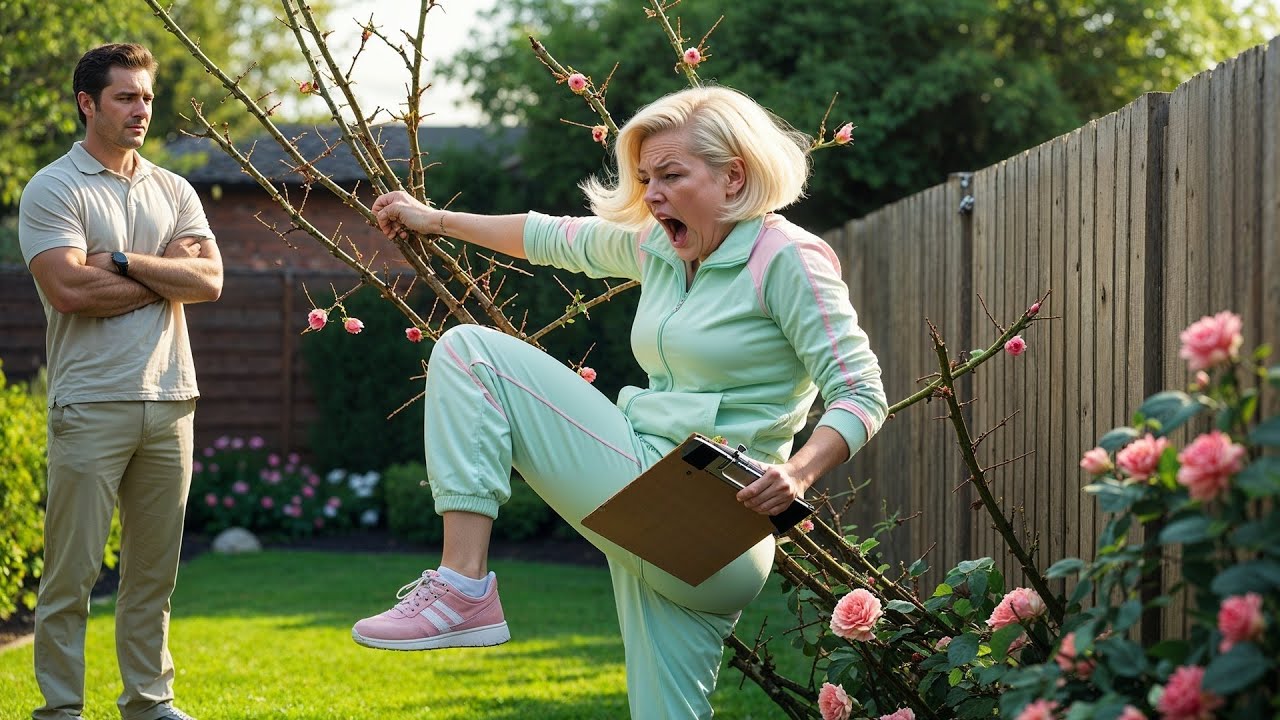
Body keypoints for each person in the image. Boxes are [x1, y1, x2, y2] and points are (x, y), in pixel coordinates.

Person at [353, 85, 886, 719]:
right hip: (661, 509)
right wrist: (434, 220)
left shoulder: (786, 260)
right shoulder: (660, 247)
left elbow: (861, 388)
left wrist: (798, 471)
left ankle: (462, 587)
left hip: (714, 516)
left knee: (473, 352)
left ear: (732, 176)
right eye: (643, 177)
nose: (651, 194)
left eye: (670, 175)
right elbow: (552, 237)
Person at [18, 43, 223, 720]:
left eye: (147, 98)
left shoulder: (175, 189)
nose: (142, 110)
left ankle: (149, 703)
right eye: (126, 97)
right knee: (72, 576)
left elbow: (211, 281)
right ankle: (60, 710)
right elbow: (70, 288)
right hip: (91, 402)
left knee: (152, 575)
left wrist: (120, 260)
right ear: (88, 103)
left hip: (172, 400)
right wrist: (161, 273)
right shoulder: (54, 187)